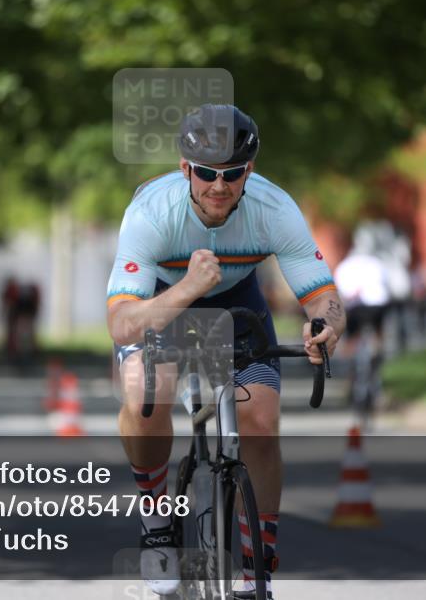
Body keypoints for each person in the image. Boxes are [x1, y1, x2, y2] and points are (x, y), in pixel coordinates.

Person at [106, 104, 344, 599]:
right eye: (208, 173)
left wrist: (326, 326)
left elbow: (323, 295)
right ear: (185, 168)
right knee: (144, 394)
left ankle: (258, 564)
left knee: (259, 416)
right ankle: (157, 523)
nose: (220, 186)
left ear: (249, 171)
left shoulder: (274, 208)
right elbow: (121, 322)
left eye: (233, 173)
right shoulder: (151, 213)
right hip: (163, 303)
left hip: (238, 305)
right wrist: (188, 288)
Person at [333, 236, 393, 419]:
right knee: (378, 332)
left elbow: (341, 292)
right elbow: (387, 286)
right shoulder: (377, 262)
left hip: (356, 307)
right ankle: (377, 352)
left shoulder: (345, 265)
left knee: (352, 337)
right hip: (378, 304)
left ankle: (351, 371)